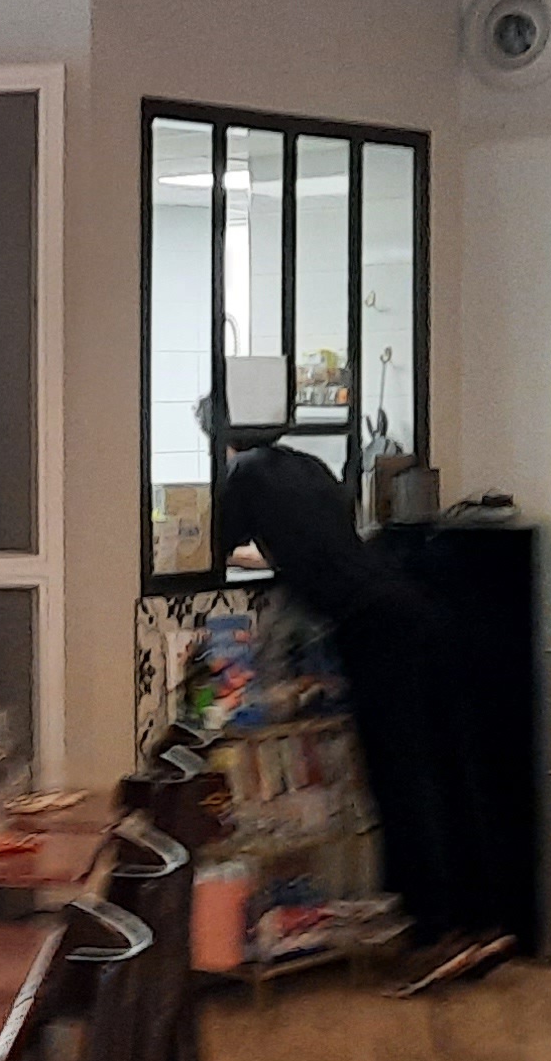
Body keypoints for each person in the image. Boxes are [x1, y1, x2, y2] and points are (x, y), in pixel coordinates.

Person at [211, 418, 521, 991]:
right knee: (451, 770)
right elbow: (329, 537)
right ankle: (483, 921)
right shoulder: (307, 466)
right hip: (421, 611)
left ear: (225, 441)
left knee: (403, 782)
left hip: (375, 632)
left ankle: (436, 934)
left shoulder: (241, 474)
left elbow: (215, 546)